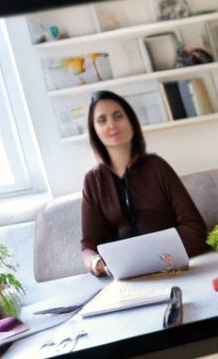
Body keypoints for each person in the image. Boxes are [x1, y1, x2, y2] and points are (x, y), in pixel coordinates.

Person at [78, 91, 207, 278]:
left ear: (131, 121)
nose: (111, 125)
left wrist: (149, 254)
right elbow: (89, 245)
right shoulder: (93, 181)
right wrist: (96, 263)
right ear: (94, 130)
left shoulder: (157, 167)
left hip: (171, 267)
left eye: (118, 116)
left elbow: (195, 229)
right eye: (102, 120)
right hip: (126, 278)